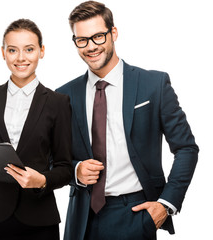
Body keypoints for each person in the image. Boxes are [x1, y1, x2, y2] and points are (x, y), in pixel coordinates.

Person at [56, 1, 199, 240]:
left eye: (98, 37)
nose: (91, 47)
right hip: (81, 219)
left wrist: (165, 204)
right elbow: (50, 159)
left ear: (113, 33)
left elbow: (186, 148)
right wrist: (76, 170)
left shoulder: (153, 85)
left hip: (135, 213)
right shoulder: (63, 96)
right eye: (82, 40)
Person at [0, 18, 73, 240]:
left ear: (41, 51)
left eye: (29, 49)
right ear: (3, 53)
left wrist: (41, 180)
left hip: (39, 219)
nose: (21, 58)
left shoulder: (58, 102)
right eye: (13, 50)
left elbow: (65, 167)